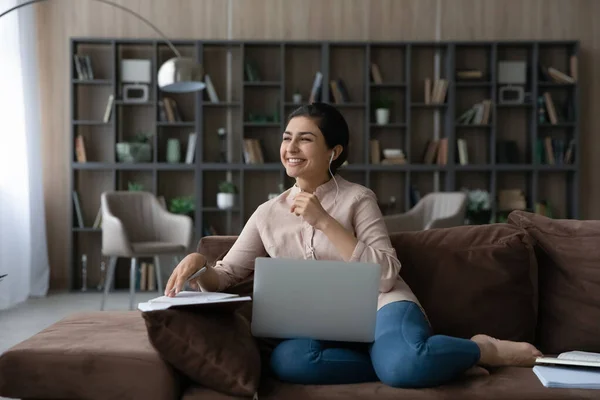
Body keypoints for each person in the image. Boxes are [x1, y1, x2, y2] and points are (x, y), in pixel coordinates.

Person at [164, 102, 542, 388]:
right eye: (286, 137)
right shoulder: (267, 213)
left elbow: (386, 274)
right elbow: (226, 277)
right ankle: (411, 361)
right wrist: (200, 262)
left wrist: (324, 222)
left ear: (334, 151)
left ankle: (482, 349)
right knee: (288, 363)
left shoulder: (358, 199)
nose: (291, 147)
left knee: (406, 367)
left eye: (305, 138)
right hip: (315, 324)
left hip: (382, 309)